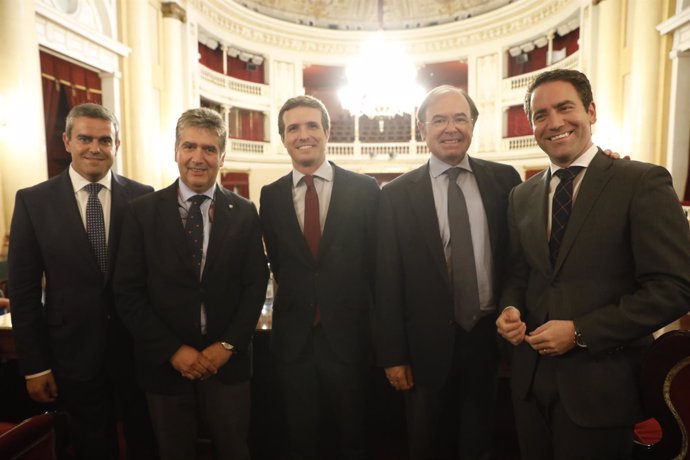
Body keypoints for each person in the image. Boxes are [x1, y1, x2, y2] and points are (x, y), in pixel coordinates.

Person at [496, 69, 690, 460]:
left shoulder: (641, 182)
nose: (554, 123)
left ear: (591, 111)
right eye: (540, 114)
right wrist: (510, 308)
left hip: (602, 387)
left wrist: (580, 332)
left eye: (565, 108)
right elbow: (521, 273)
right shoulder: (521, 194)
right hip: (530, 385)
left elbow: (675, 288)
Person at [374, 85, 522, 460]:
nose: (450, 127)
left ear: (473, 124)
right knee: (425, 445)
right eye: (439, 119)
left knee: (481, 442)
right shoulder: (394, 195)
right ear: (421, 128)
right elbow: (387, 280)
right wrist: (393, 355)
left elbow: (517, 261)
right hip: (423, 350)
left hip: (489, 340)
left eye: (460, 118)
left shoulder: (506, 181)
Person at [114, 107, 269, 460]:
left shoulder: (244, 212)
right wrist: (172, 350)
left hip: (227, 364)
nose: (198, 158)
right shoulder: (141, 212)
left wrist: (226, 346)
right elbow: (128, 292)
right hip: (164, 363)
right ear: (176, 152)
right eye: (190, 147)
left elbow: (254, 285)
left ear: (222, 156)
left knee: (234, 450)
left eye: (209, 149)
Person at [8, 103, 157, 459]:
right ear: (67, 141)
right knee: (92, 446)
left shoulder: (144, 197)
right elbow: (24, 291)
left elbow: (156, 280)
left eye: (105, 140)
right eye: (85, 138)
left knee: (146, 442)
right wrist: (35, 365)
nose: (95, 147)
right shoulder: (33, 201)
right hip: (71, 353)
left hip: (138, 353)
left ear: (116, 145)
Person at [260, 95, 379, 460]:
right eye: (293, 128)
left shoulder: (364, 189)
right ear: (283, 138)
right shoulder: (271, 195)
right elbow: (280, 263)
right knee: (300, 439)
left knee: (354, 436)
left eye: (312, 125)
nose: (303, 134)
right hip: (294, 339)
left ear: (327, 132)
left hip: (350, 337)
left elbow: (375, 265)